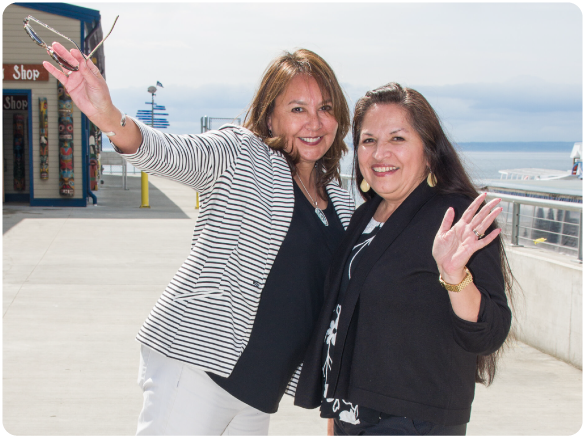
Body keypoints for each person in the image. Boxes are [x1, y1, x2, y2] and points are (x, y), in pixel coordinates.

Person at [42, 45, 355, 435]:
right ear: (271, 117)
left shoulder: (340, 198)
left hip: (260, 391)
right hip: (196, 365)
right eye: (298, 109)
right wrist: (108, 115)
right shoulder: (243, 154)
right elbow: (172, 153)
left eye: (325, 108)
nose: (314, 122)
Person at [294, 83, 514, 436]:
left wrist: (454, 274)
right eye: (368, 140)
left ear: (428, 152)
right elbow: (346, 322)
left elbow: (489, 333)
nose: (380, 154)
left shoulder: (455, 217)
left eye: (397, 139)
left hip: (412, 420)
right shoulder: (364, 218)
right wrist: (337, 417)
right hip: (353, 414)